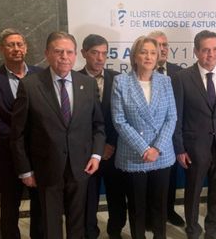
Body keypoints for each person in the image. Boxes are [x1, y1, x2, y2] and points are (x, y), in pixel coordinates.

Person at [10, 31, 106, 239]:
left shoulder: (87, 84)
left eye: (69, 52)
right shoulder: (30, 85)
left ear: (75, 55)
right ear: (47, 53)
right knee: (49, 223)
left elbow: (98, 125)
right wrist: (25, 171)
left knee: (77, 221)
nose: (64, 56)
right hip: (46, 168)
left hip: (81, 167)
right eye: (58, 51)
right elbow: (18, 134)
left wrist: (96, 155)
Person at [173, 30, 216, 239]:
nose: (210, 55)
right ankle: (192, 229)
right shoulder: (182, 78)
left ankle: (212, 230)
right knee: (193, 192)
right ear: (196, 51)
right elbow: (177, 116)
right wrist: (180, 148)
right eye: (205, 50)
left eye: (214, 49)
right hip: (195, 147)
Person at [0, 28, 43, 239]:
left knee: (40, 204)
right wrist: (20, 144)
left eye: (20, 44)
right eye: (10, 45)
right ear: (1, 49)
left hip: (38, 153)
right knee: (9, 205)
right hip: (8, 154)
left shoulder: (41, 75)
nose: (16, 49)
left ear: (25, 47)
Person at [111, 36, 177, 239]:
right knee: (137, 207)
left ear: (158, 57)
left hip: (161, 154)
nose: (148, 56)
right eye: (143, 51)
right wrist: (144, 149)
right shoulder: (121, 81)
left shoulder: (165, 81)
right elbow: (119, 120)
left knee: (159, 206)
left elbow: (171, 117)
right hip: (133, 155)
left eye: (152, 52)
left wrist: (156, 148)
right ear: (135, 56)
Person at [79, 34, 126, 239]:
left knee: (117, 195)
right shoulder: (73, 79)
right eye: (94, 53)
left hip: (114, 150)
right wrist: (95, 149)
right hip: (86, 152)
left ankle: (115, 230)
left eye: (104, 53)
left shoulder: (119, 79)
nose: (100, 58)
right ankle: (90, 232)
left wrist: (110, 144)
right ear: (84, 54)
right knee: (89, 197)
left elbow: (124, 116)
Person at [147, 30, 185, 227]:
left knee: (170, 180)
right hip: (147, 140)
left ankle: (168, 211)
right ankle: (149, 217)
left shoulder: (179, 72)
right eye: (157, 45)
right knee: (149, 181)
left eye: (165, 45)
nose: (162, 49)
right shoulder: (141, 71)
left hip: (172, 138)